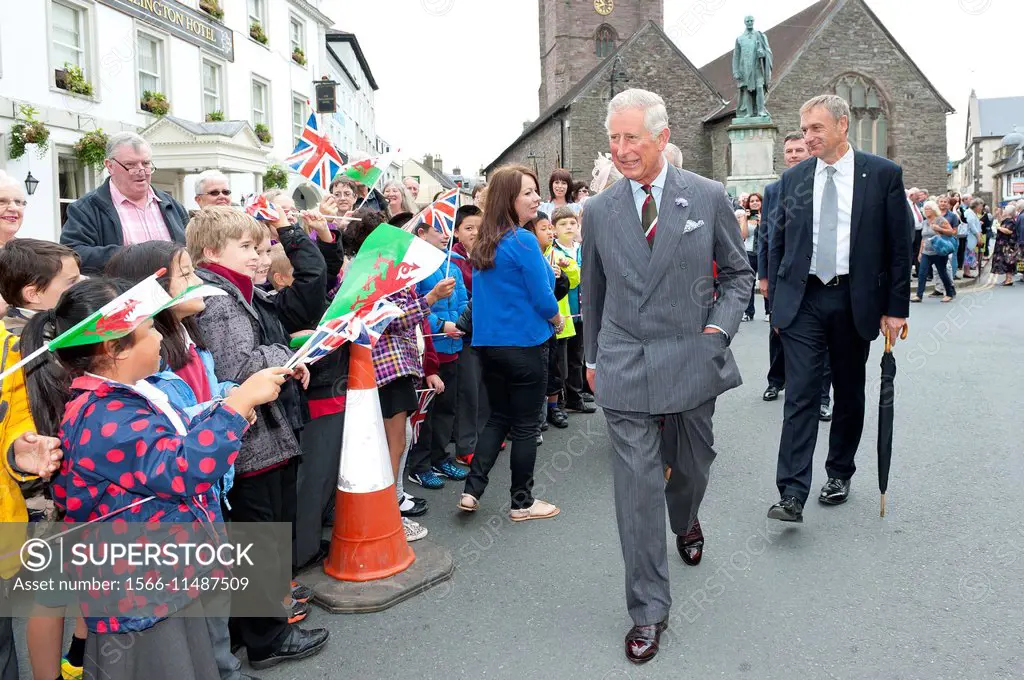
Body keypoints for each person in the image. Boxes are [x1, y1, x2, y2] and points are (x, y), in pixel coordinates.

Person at [22, 277, 291, 680]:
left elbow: (170, 436)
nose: (160, 339)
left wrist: (225, 412)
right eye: (149, 330)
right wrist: (236, 406)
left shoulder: (120, 398)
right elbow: (183, 468)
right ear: (114, 350)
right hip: (141, 594)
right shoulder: (105, 415)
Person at [582, 89, 750, 664]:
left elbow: (737, 275)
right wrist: (591, 358)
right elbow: (594, 291)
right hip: (625, 360)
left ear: (661, 136)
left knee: (694, 463)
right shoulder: (599, 211)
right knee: (636, 488)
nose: (621, 150)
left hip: (690, 358)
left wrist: (717, 333)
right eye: (614, 139)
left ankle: (688, 516)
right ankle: (648, 610)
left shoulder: (706, 196)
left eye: (632, 138)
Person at [186, 207, 328, 669]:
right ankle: (267, 639)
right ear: (211, 251)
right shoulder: (220, 300)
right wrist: (285, 350)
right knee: (260, 534)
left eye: (257, 245)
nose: (257, 255)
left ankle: (251, 630)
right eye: (245, 246)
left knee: (259, 534)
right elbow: (238, 368)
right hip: (251, 440)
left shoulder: (231, 292)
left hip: (259, 432)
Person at [766, 94, 911, 523]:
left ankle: (839, 472)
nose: (808, 137)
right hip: (804, 299)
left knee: (849, 391)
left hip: (854, 299)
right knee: (803, 392)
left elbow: (898, 248)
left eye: (816, 128)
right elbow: (778, 244)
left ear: (842, 126)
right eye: (804, 129)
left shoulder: (882, 175)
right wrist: (775, 302)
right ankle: (792, 491)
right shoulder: (793, 181)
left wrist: (896, 308)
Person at [460, 165, 562, 521]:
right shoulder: (521, 240)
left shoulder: (486, 241)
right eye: (528, 193)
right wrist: (557, 318)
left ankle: (472, 492)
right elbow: (545, 299)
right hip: (523, 345)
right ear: (509, 199)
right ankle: (522, 502)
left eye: (536, 191)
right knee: (524, 427)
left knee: (497, 419)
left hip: (489, 347)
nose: (536, 198)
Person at [759, 132, 834, 420]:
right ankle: (775, 380)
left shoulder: (825, 183)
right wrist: (764, 276)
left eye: (798, 150)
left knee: (823, 341)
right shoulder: (774, 190)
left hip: (818, 278)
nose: (792, 155)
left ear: (810, 151)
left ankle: (823, 398)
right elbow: (766, 236)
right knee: (778, 333)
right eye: (789, 151)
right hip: (784, 277)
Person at [61, 132, 188, 273]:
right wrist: (132, 255)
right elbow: (73, 254)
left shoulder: (171, 205)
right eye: (131, 165)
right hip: (121, 292)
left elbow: (192, 248)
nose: (141, 171)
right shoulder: (86, 209)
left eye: (145, 163)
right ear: (109, 166)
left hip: (174, 292)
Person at [405, 216, 470, 489]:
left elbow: (465, 299)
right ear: (422, 233)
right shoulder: (413, 268)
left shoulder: (451, 264)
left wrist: (463, 322)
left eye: (447, 229)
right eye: (438, 230)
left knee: (446, 408)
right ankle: (419, 465)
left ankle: (440, 456)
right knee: (425, 413)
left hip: (453, 347)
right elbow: (414, 309)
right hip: (430, 348)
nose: (445, 235)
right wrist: (443, 324)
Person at [551, 206, 594, 413]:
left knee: (578, 357)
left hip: (582, 311)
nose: (568, 227)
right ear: (554, 229)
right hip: (563, 313)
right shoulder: (552, 252)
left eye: (572, 223)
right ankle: (558, 401)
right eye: (562, 224)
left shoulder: (582, 248)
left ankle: (575, 397)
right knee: (561, 361)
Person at [451, 205, 484, 466]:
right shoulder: (454, 261)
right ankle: (465, 445)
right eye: (468, 228)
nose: (475, 232)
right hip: (465, 332)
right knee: (469, 391)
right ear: (457, 232)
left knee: (485, 387)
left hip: (488, 331)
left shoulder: (486, 254)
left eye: (479, 227)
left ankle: (483, 437)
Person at [910, 200, 956, 303]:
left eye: (928, 209)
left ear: (933, 210)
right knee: (922, 273)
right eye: (925, 209)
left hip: (938, 252)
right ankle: (919, 295)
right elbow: (923, 238)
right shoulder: (925, 222)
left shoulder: (940, 220)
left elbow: (950, 232)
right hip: (927, 252)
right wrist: (920, 253)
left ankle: (949, 293)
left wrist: (939, 228)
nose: (926, 211)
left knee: (942, 272)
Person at [742, 192, 763, 321]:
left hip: (763, 253)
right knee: (749, 283)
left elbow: (767, 235)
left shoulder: (767, 215)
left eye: (757, 200)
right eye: (752, 201)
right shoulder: (745, 217)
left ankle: (768, 311)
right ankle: (748, 312)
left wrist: (762, 222)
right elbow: (743, 236)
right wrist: (745, 219)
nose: (754, 203)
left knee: (766, 281)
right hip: (749, 253)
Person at [992, 204, 1019, 286]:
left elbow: (1008, 231)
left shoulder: (1011, 221)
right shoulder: (1006, 220)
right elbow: (1002, 223)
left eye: (1004, 210)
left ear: (1008, 212)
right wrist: (998, 214)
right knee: (1005, 262)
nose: (1003, 211)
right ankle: (1007, 279)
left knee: (1008, 262)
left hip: (1008, 246)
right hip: (1003, 245)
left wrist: (998, 227)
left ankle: (1009, 279)